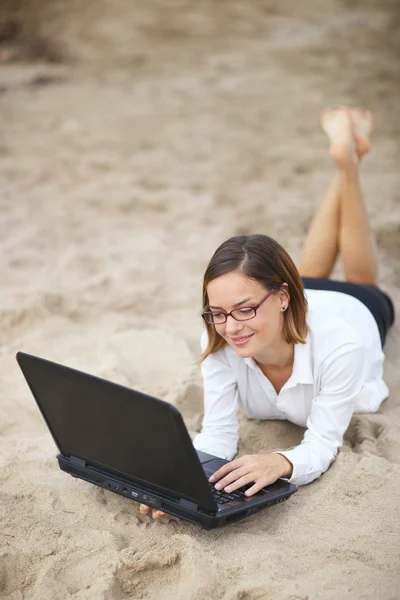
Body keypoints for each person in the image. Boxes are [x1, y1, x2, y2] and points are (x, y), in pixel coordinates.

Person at [140, 106, 395, 520]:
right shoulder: (222, 331)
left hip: (355, 308)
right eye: (217, 312)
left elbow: (323, 444)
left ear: (281, 297)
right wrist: (177, 480)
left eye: (243, 310)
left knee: (364, 278)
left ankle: (348, 167)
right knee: (307, 275)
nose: (231, 327)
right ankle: (345, 158)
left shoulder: (342, 346)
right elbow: (218, 435)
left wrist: (281, 461)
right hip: (294, 298)